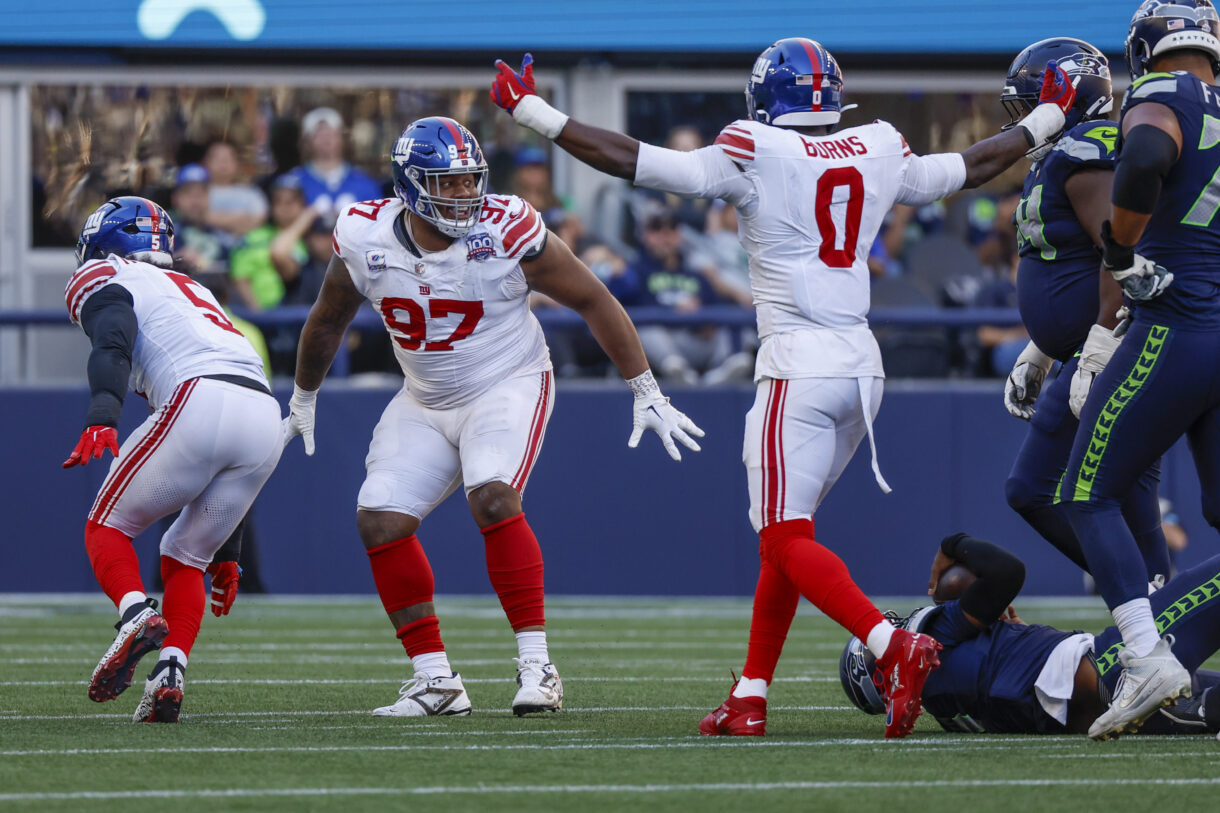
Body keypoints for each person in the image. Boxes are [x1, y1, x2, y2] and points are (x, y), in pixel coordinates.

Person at [490, 38, 1078, 738]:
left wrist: (532, 110)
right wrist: (1045, 117)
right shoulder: (878, 145)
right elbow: (973, 166)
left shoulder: (753, 148)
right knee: (786, 537)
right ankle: (751, 692)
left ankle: (896, 646)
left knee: (781, 532)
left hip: (798, 363)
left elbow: (634, 161)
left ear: (766, 100)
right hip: (861, 367)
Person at [281, 116, 703, 718]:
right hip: (424, 396)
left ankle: (538, 667)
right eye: (445, 183)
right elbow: (327, 319)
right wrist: (303, 396)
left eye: (468, 181)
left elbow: (592, 298)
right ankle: (436, 681)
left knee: (493, 495)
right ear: (409, 184)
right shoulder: (363, 233)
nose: (462, 195)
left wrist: (645, 388)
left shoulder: (508, 228)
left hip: (509, 380)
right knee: (378, 519)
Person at [1056, 0, 1220, 739]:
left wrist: (1120, 251)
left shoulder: (1163, 92)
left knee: (1084, 491)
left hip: (1181, 320)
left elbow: (1149, 157)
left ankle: (1149, 655)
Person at [62, 196, 282, 723]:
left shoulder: (105, 272)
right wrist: (228, 546)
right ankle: (169, 674)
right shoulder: (196, 288)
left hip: (200, 397)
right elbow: (228, 424)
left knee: (105, 529)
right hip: (263, 414)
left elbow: (112, 338)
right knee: (187, 557)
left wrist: (101, 414)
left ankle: (136, 615)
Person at [1000, 38, 1172, 587]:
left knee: (1058, 489)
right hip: (1086, 350)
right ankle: (1148, 605)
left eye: (1031, 103)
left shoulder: (1091, 145)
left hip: (1115, 346)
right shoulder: (1062, 154)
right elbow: (1068, 261)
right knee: (1116, 489)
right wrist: (1043, 348)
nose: (1025, 119)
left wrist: (1099, 341)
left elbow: (1119, 250)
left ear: (1068, 95)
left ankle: (1145, 605)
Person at [839, 531, 1220, 737]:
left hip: (1097, 709)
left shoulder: (945, 708)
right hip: (1110, 667)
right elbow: (1007, 572)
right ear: (877, 667)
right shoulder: (934, 638)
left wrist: (1012, 638)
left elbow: (1009, 686)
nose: (886, 627)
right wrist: (951, 546)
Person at [289, 107, 382, 217]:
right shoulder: (293, 183)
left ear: (342, 138)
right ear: (307, 141)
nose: (326, 139)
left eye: (331, 133)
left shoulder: (364, 182)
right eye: (319, 134)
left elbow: (378, 224)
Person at [170, 163, 231, 277]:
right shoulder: (165, 234)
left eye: (200, 193)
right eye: (188, 193)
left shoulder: (222, 236)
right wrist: (176, 260)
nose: (195, 200)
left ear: (209, 196)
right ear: (175, 198)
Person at [201, 139, 268, 237]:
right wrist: (240, 218)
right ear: (206, 162)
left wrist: (215, 219)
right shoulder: (198, 193)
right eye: (218, 158)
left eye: (228, 158)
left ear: (237, 163)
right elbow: (198, 217)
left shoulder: (251, 193)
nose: (223, 163)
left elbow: (258, 220)